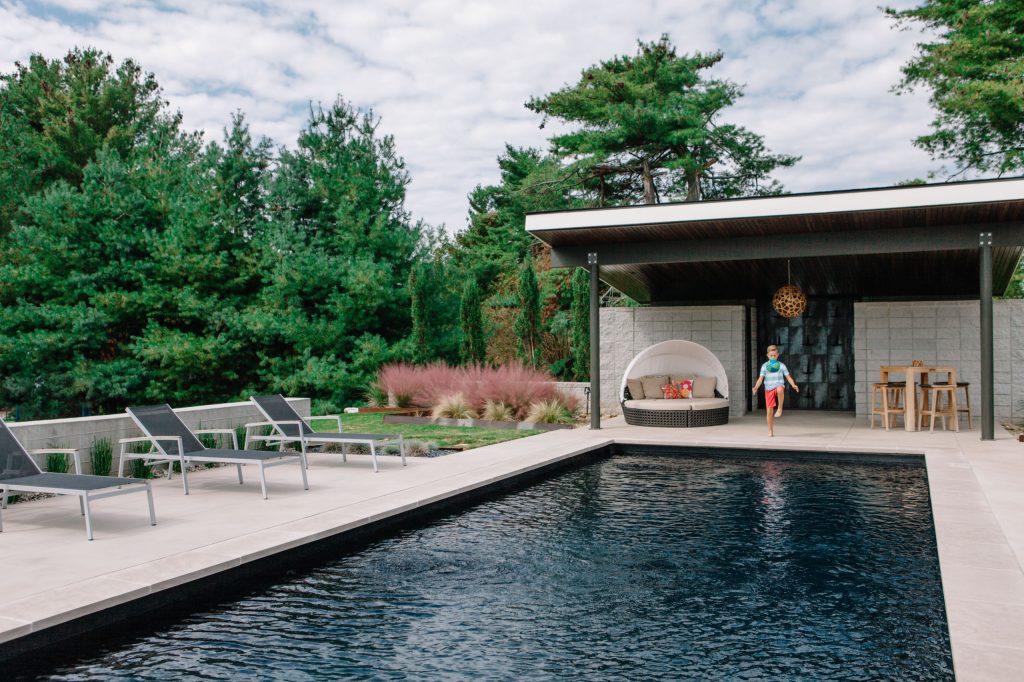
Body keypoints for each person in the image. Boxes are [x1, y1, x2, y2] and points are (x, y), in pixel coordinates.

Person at [751, 344, 799, 436]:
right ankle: (770, 430)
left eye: (775, 355)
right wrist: (756, 387)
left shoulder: (781, 366)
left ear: (778, 355)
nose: (773, 357)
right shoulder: (765, 366)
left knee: (780, 389)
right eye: (771, 355)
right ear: (768, 355)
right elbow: (760, 379)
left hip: (778, 386)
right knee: (769, 412)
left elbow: (788, 377)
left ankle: (780, 408)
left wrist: (793, 385)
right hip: (768, 389)